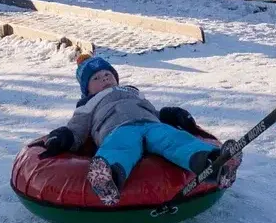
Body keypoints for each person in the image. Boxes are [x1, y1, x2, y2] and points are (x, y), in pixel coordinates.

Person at [30, 55, 240, 205]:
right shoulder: (88, 104)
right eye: (96, 78)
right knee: (120, 149)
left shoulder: (133, 93)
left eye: (107, 74)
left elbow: (153, 112)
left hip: (151, 125)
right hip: (118, 130)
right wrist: (63, 137)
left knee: (175, 139)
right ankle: (108, 178)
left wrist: (172, 114)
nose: (104, 79)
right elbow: (76, 130)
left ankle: (215, 164)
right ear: (86, 89)